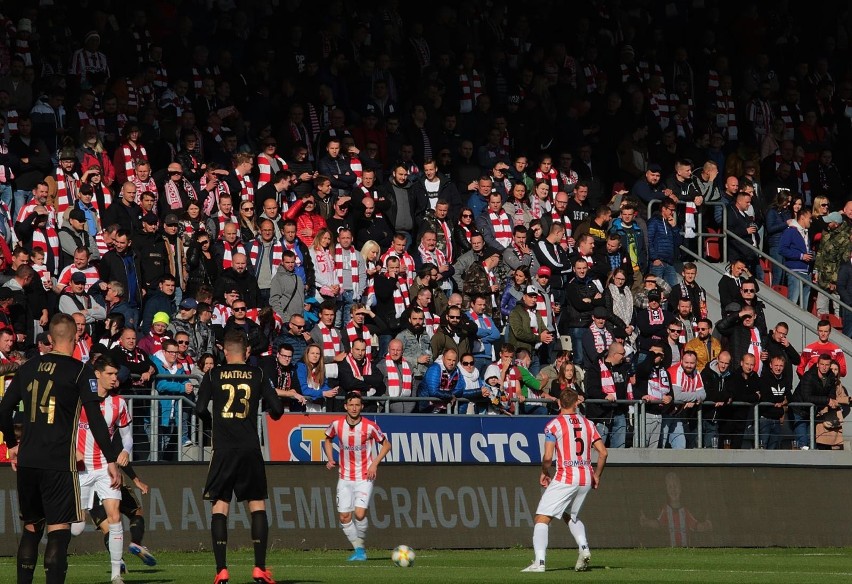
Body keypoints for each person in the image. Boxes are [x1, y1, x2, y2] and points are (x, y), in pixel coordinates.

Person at [0, 314, 121, 584]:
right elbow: (96, 417)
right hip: (59, 462)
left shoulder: (28, 367)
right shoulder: (80, 371)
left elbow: (4, 410)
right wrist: (110, 458)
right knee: (59, 531)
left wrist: (11, 445)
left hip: (29, 459)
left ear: (50, 339)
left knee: (31, 529)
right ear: (75, 338)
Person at [195, 330, 285, 584]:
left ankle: (221, 570)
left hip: (223, 448)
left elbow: (200, 408)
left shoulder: (213, 374)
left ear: (224, 351)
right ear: (246, 352)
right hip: (249, 447)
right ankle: (259, 568)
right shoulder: (257, 374)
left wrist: (213, 425)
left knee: (220, 505)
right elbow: (277, 410)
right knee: (256, 504)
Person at [521, 388, 607, 574]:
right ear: (577, 403)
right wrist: (597, 475)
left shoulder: (554, 425)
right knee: (570, 515)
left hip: (566, 474)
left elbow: (548, 456)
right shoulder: (588, 424)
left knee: (542, 517)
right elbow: (603, 452)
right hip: (585, 475)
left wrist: (544, 472)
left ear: (559, 403)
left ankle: (540, 562)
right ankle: (584, 548)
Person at [70, 355, 132, 583]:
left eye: (116, 374)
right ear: (97, 374)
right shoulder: (79, 401)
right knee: (75, 527)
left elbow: (127, 438)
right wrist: (71, 451)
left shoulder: (119, 403)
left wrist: (125, 451)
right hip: (81, 467)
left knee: (115, 516)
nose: (115, 378)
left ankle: (117, 575)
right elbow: (65, 429)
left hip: (107, 467)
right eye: (110, 374)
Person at [324, 391, 392, 561]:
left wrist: (374, 463)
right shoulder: (337, 424)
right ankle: (359, 550)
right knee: (344, 517)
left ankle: (360, 546)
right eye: (351, 405)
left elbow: (386, 445)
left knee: (360, 514)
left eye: (357, 405)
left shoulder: (369, 426)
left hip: (364, 477)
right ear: (345, 406)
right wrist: (330, 458)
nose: (354, 408)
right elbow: (327, 439)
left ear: (362, 407)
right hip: (345, 477)